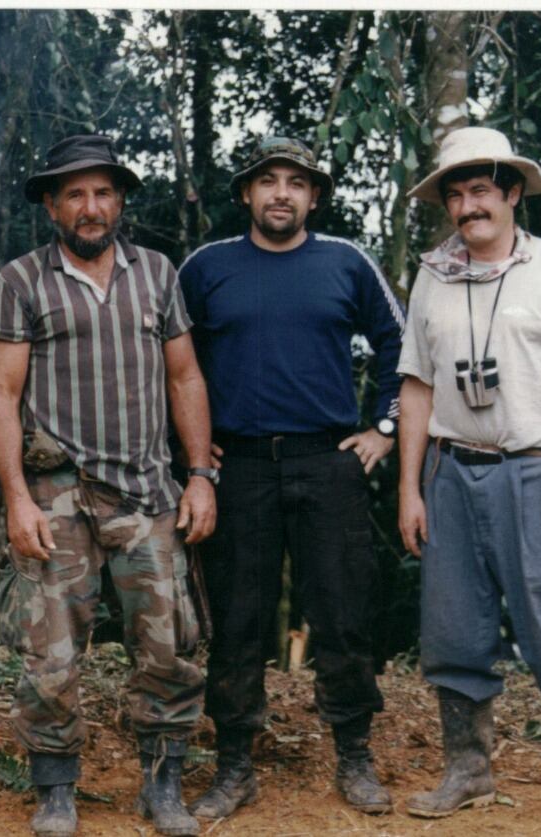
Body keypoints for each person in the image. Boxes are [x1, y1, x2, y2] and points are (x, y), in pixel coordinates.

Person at [0, 134, 216, 837]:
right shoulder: (20, 281)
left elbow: (184, 377)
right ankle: (55, 788)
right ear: (52, 205)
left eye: (104, 192)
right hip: (57, 495)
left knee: (170, 644)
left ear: (120, 201)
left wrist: (200, 473)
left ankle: (161, 783)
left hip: (148, 490)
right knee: (50, 652)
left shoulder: (157, 275)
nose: (92, 206)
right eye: (75, 194)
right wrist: (18, 497)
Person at [395, 126, 541, 827]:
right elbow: (415, 387)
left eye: (482, 191)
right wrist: (408, 488)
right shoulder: (433, 275)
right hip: (453, 471)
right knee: (453, 626)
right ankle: (468, 766)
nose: (468, 208)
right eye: (455, 195)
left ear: (513, 192)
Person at [177, 136, 405, 819]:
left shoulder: (345, 263)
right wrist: (189, 450)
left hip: (328, 459)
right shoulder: (206, 268)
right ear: (246, 193)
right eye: (267, 181)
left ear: (314, 196)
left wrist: (384, 428)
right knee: (239, 617)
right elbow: (172, 359)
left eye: (296, 183)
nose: (282, 192)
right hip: (237, 466)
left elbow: (401, 340)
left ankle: (354, 754)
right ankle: (235, 762)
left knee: (341, 609)